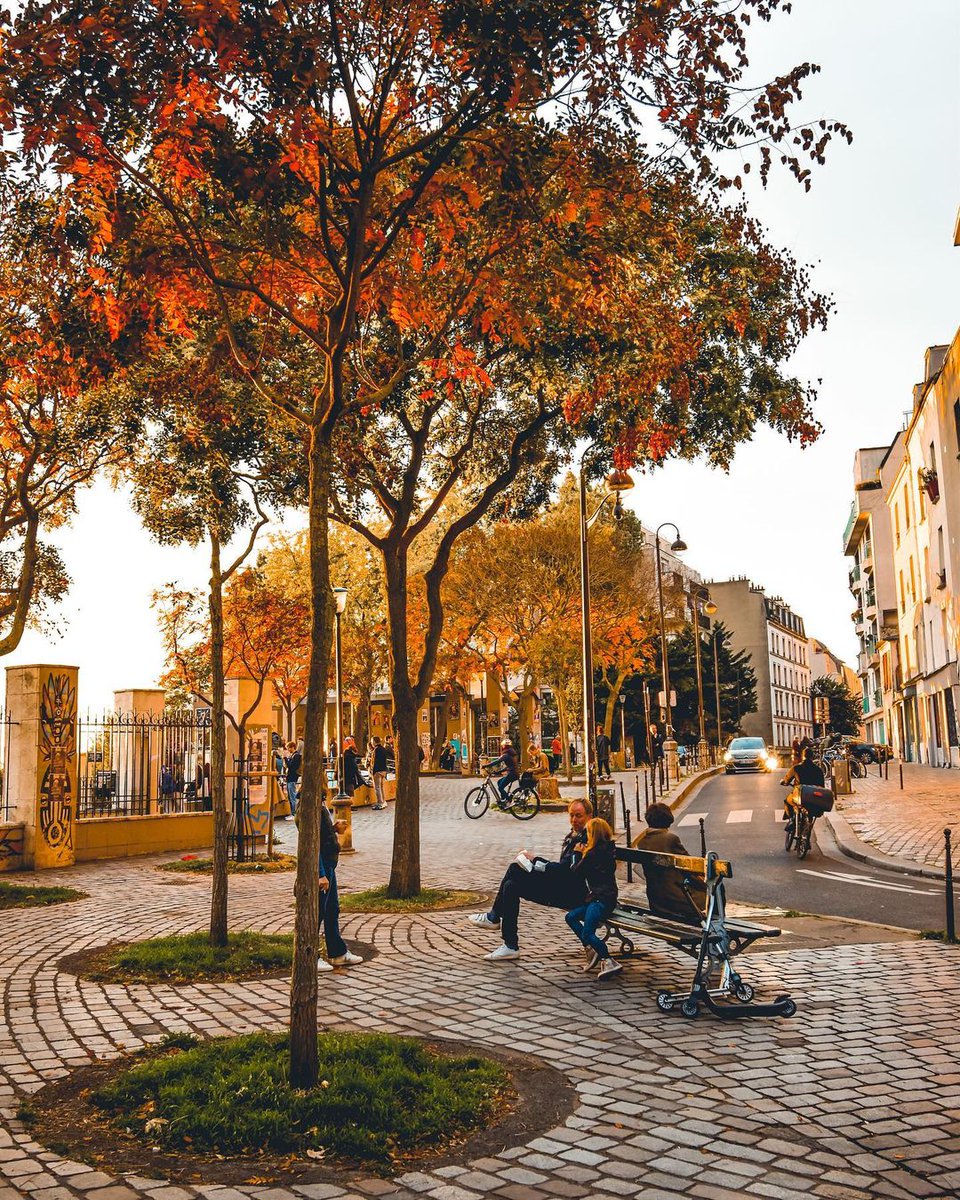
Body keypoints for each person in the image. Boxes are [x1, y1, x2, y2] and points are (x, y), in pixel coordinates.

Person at [467, 797, 592, 961]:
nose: (574, 820)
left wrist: (535, 861)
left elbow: (566, 872)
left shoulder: (587, 839)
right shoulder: (573, 836)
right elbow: (563, 872)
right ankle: (510, 945)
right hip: (563, 886)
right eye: (571, 815)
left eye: (578, 815)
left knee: (514, 870)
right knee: (511, 885)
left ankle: (494, 918)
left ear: (589, 816)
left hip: (574, 895)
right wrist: (535, 864)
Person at [565, 817, 622, 979]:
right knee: (571, 917)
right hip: (604, 898)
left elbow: (575, 872)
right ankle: (592, 949)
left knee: (588, 934)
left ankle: (607, 959)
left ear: (593, 835)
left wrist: (576, 853)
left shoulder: (592, 854)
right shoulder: (608, 849)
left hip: (600, 900)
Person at [631, 802, 706, 922]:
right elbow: (689, 868)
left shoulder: (642, 840)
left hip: (656, 900)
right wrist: (703, 882)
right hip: (675, 899)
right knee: (713, 893)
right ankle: (717, 931)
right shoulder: (670, 839)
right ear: (668, 819)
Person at [316, 800, 363, 971]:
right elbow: (311, 840)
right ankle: (310, 956)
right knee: (318, 911)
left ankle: (337, 953)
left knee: (331, 909)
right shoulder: (309, 803)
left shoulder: (319, 803)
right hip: (322, 866)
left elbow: (320, 834)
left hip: (329, 863)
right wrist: (320, 873)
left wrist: (333, 829)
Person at [781, 746, 826, 819]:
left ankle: (791, 818)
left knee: (787, 801)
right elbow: (822, 786)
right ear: (812, 757)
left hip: (800, 794)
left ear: (803, 756)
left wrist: (784, 782)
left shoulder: (796, 768)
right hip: (814, 796)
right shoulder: (818, 770)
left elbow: (787, 779)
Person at [487, 737, 520, 803]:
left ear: (504, 746)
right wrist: (499, 771)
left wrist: (486, 765)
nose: (502, 747)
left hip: (512, 774)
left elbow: (497, 761)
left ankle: (508, 799)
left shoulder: (506, 754)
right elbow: (509, 766)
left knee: (500, 788)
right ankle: (503, 800)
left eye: (502, 746)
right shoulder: (512, 753)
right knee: (499, 782)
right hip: (514, 773)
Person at [284, 740, 301, 821]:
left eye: (288, 748)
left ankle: (294, 813)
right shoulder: (293, 755)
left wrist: (286, 760)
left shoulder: (296, 756)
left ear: (292, 747)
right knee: (291, 796)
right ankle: (293, 812)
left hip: (292, 777)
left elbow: (291, 766)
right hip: (291, 777)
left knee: (292, 796)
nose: (288, 750)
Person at [370, 735, 388, 809]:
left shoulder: (376, 750)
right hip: (383, 770)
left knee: (377, 787)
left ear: (374, 742)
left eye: (372, 741)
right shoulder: (383, 749)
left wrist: (373, 771)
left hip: (377, 771)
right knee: (381, 787)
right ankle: (383, 801)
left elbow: (374, 762)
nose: (371, 743)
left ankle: (380, 802)